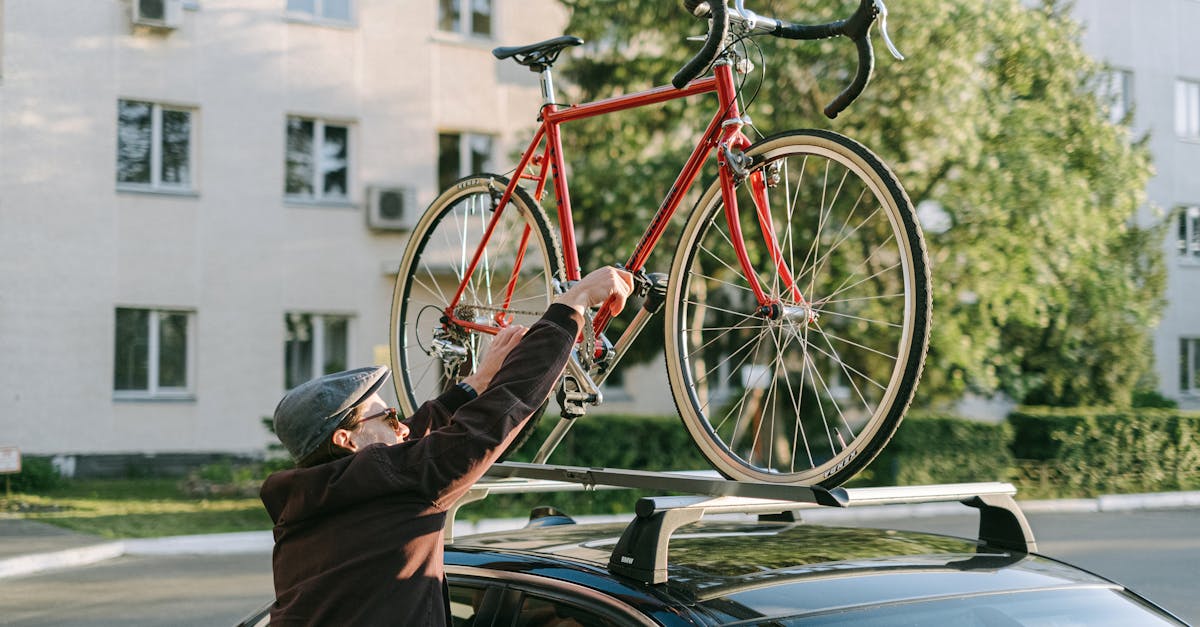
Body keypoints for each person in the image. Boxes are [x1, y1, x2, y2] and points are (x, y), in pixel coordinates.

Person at [260, 267, 633, 626]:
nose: (402, 429)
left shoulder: (308, 509)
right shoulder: (391, 481)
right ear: (346, 440)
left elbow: (415, 438)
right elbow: (497, 413)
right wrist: (572, 304)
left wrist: (479, 380)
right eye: (388, 418)